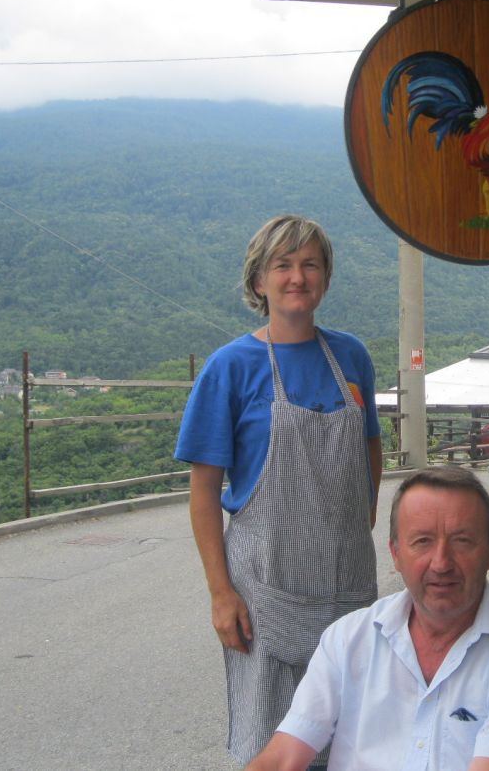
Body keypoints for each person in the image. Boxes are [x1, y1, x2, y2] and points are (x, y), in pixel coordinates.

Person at [175, 214, 381, 765]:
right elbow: (203, 493)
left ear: (326, 277)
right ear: (258, 281)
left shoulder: (352, 357)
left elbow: (370, 448)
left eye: (310, 264)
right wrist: (221, 593)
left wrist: (358, 527)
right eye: (283, 265)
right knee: (273, 743)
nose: (298, 276)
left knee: (353, 733)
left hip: (348, 588)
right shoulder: (229, 368)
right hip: (264, 593)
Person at [245, 466, 489, 771]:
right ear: (396, 554)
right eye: (422, 541)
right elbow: (284, 757)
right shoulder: (348, 639)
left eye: (462, 541)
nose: (441, 562)